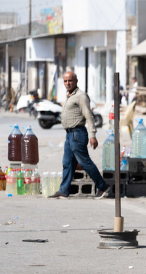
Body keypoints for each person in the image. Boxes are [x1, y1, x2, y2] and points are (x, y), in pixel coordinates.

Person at [49, 71, 112, 199]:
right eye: (65, 81)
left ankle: (103, 187)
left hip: (77, 134)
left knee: (84, 162)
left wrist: (93, 135)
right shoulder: (69, 96)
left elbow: (89, 116)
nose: (67, 83)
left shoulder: (81, 96)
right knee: (67, 163)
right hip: (69, 134)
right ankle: (64, 190)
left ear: (76, 81)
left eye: (70, 80)